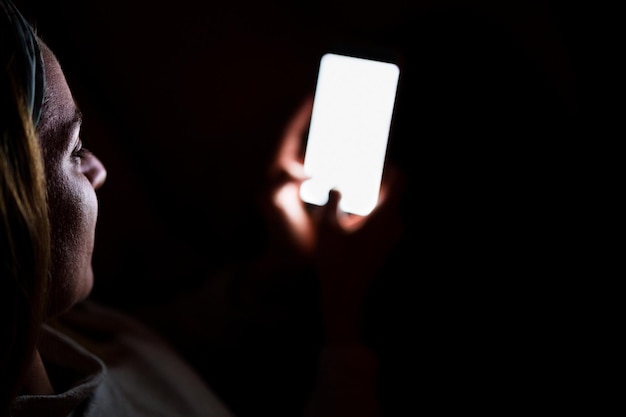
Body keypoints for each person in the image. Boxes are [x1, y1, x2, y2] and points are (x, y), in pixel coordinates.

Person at [1, 0, 405, 416]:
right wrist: (344, 326)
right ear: (11, 221)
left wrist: (275, 268)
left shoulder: (53, 327)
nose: (98, 170)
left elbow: (155, 352)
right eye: (74, 150)